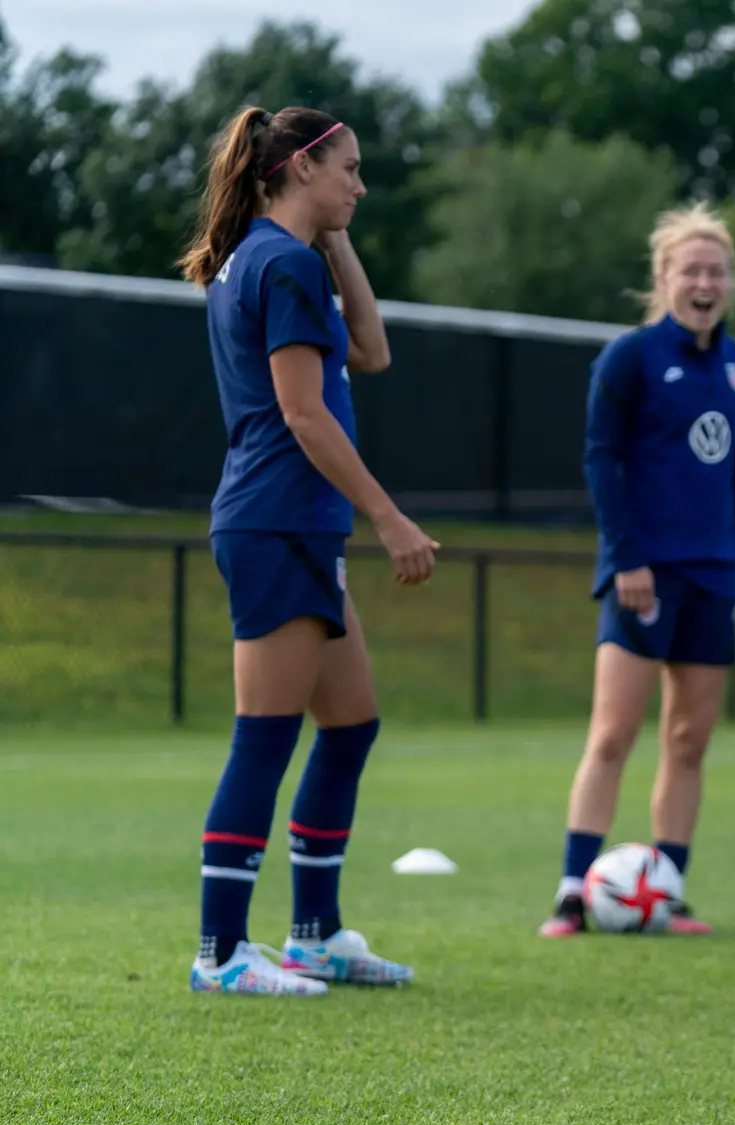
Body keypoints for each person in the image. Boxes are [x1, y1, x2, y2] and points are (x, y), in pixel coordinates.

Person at [180, 106, 433, 995]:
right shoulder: (279, 263)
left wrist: (335, 233)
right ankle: (219, 952)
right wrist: (390, 518)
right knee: (264, 738)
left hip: (295, 525)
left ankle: (315, 934)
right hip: (276, 520)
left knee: (351, 725)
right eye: (349, 171)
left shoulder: (279, 256)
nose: (360, 185)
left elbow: (371, 350)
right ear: (296, 166)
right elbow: (303, 412)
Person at [540, 204, 735, 937]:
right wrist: (625, 555)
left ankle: (663, 891)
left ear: (730, 281)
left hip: (713, 573)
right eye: (690, 270)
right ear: (663, 277)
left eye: (716, 271)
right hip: (643, 572)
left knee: (688, 740)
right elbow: (600, 460)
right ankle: (574, 892)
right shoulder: (629, 358)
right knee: (612, 735)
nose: (705, 282)